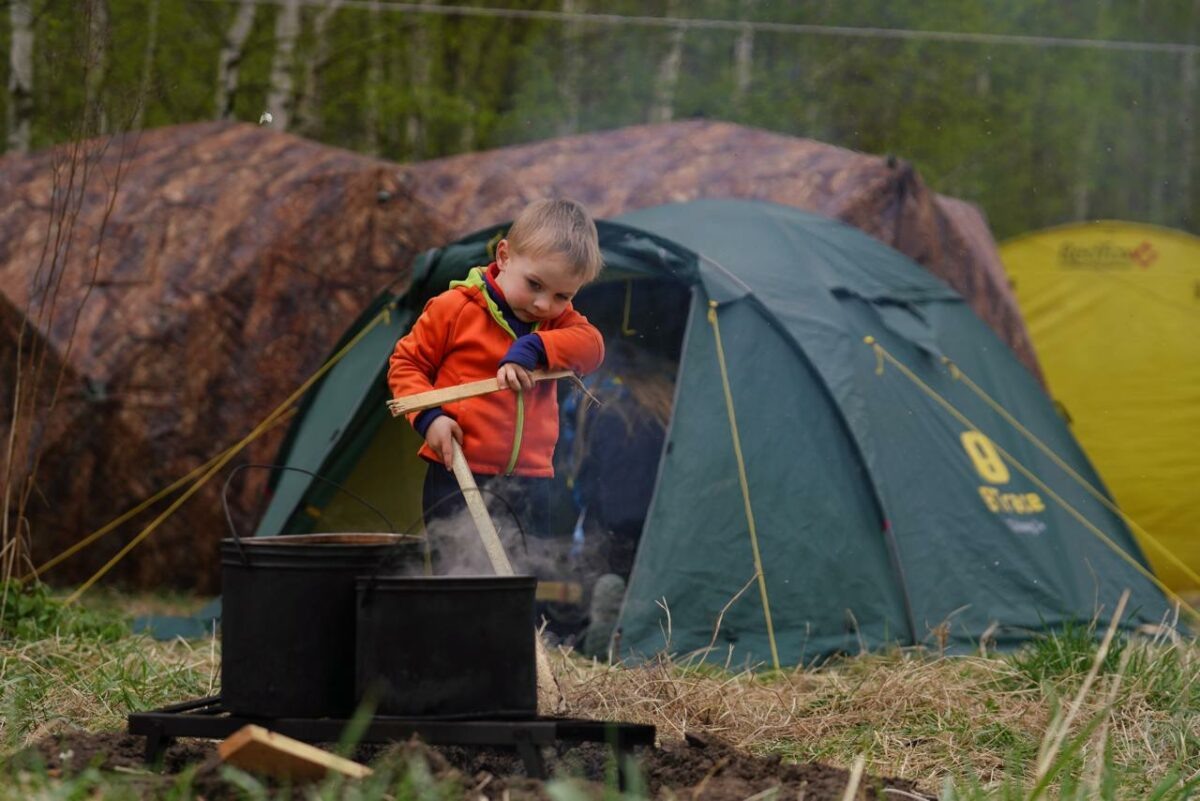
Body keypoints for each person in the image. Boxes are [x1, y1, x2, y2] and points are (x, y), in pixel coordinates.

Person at [387, 198, 605, 556]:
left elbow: (593, 348)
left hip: (532, 481)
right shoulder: (454, 308)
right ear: (504, 256)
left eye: (562, 295)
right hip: (458, 472)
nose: (543, 305)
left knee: (523, 583)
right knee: (458, 577)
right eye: (534, 284)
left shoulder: (557, 323)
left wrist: (534, 346)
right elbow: (406, 364)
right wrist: (429, 419)